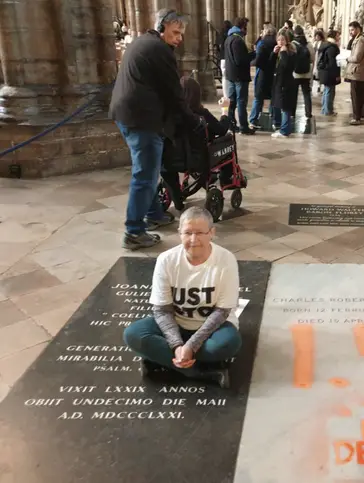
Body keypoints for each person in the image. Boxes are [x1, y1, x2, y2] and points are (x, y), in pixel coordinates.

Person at [110, 8, 200, 251]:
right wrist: (193, 121)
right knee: (145, 174)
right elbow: (174, 94)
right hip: (141, 119)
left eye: (181, 34)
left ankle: (154, 213)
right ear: (162, 27)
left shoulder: (143, 42)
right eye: (176, 32)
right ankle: (134, 231)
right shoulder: (160, 50)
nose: (180, 38)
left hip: (127, 114)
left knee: (148, 169)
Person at [123, 206, 242, 386]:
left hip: (212, 328)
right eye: (187, 233)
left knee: (228, 343)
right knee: (133, 334)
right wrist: (177, 345)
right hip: (176, 324)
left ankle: (161, 360)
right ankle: (198, 372)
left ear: (212, 232)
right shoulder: (166, 259)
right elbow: (162, 310)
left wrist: (190, 346)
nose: (193, 240)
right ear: (179, 234)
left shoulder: (226, 260)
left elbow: (222, 312)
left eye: (200, 233)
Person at [160, 77, 232, 211]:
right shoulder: (201, 114)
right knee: (227, 141)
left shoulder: (167, 115)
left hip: (170, 161)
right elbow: (221, 130)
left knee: (166, 168)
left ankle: (177, 201)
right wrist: (225, 110)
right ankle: (226, 178)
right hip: (197, 161)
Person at [224, 17, 256, 135]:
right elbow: (240, 60)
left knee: (232, 103)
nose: (246, 30)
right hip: (239, 77)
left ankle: (231, 125)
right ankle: (243, 127)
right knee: (241, 102)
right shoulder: (237, 40)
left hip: (231, 75)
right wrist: (254, 54)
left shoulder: (228, 38)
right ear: (242, 27)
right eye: (246, 27)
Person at [249, 25, 277, 130]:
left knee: (258, 98)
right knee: (273, 98)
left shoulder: (262, 44)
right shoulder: (276, 44)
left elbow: (259, 60)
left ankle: (253, 119)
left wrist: (251, 62)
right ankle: (274, 119)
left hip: (262, 74)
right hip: (273, 74)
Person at [270, 29, 297, 138]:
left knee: (285, 107)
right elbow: (271, 65)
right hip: (279, 82)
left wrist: (282, 52)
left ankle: (284, 131)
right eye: (278, 40)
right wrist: (274, 53)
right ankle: (282, 127)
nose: (280, 42)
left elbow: (286, 65)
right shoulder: (281, 51)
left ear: (287, 40)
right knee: (281, 106)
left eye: (282, 40)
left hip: (285, 83)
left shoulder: (288, 52)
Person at [345, 21, 364, 126]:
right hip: (359, 71)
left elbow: (357, 57)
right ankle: (357, 116)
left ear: (357, 29)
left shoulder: (360, 41)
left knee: (356, 95)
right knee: (357, 95)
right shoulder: (361, 39)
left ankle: (356, 118)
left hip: (357, 71)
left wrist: (347, 58)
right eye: (350, 30)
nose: (350, 32)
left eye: (352, 30)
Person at [292, 25, 315, 119]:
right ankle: (308, 113)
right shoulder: (309, 44)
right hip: (306, 73)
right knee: (306, 94)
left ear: (294, 33)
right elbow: (312, 59)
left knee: (293, 94)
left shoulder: (292, 44)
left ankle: (292, 113)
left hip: (295, 73)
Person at [317, 29, 341, 116]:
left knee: (326, 91)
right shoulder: (332, 47)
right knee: (329, 91)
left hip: (324, 71)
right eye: (338, 36)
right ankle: (328, 111)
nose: (339, 37)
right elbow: (332, 62)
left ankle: (325, 109)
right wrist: (336, 75)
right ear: (334, 36)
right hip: (329, 72)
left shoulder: (326, 44)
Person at [218, 20, 233, 99]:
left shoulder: (220, 35)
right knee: (229, 77)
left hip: (222, 58)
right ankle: (230, 95)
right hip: (227, 58)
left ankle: (225, 95)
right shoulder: (229, 35)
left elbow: (218, 46)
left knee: (224, 77)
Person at [312, 29, 325, 95]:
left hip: (320, 58)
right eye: (316, 36)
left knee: (319, 72)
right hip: (315, 58)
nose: (317, 37)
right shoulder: (315, 43)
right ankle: (318, 85)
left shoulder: (323, 43)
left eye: (318, 36)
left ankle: (320, 86)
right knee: (316, 73)